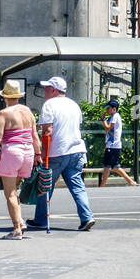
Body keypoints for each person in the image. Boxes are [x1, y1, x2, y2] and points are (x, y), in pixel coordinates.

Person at [27, 77, 94, 231]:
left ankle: (41, 219)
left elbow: (47, 131)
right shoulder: (74, 105)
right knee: (77, 185)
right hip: (76, 150)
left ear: (54, 89)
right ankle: (87, 217)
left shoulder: (49, 105)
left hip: (57, 152)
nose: (45, 90)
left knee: (45, 185)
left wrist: (43, 154)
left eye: (47, 87)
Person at [0, 80, 41, 239]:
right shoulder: (28, 111)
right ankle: (20, 221)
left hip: (12, 152)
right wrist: (38, 154)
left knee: (9, 193)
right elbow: (34, 135)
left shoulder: (4, 113)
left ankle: (16, 229)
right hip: (28, 151)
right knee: (14, 189)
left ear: (5, 97)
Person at [98, 99, 136, 187]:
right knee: (112, 167)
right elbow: (110, 132)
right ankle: (131, 182)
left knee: (110, 167)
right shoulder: (112, 117)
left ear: (114, 109)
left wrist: (103, 119)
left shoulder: (115, 116)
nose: (106, 110)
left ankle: (102, 186)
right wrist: (106, 144)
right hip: (111, 146)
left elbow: (108, 128)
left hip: (113, 146)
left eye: (108, 108)